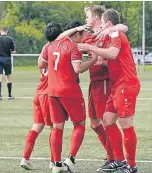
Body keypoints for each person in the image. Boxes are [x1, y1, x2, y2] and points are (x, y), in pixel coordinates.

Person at [59, 5, 128, 170]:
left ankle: (114, 158)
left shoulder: (106, 35)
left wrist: (98, 58)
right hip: (94, 83)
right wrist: (76, 29)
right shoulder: (88, 36)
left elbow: (123, 28)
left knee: (105, 122)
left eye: (88, 16)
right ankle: (112, 155)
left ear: (96, 18)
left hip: (105, 82)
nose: (86, 20)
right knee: (94, 124)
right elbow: (61, 38)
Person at [78, 9, 140, 173]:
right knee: (107, 119)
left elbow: (112, 54)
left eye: (104, 23)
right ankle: (118, 160)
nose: (103, 26)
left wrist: (91, 47)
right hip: (117, 85)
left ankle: (132, 166)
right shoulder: (111, 33)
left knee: (126, 125)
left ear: (108, 23)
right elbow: (108, 60)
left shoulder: (115, 34)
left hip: (126, 84)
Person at [40, 21, 98, 173]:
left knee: (57, 128)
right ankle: (70, 160)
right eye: (82, 34)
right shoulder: (72, 47)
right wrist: (93, 60)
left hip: (52, 92)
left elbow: (41, 64)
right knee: (79, 124)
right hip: (69, 91)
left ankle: (56, 164)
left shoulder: (51, 45)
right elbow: (78, 68)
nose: (84, 37)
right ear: (77, 33)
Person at [20, 22, 64, 171]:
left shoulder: (45, 48)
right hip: (48, 94)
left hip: (38, 92)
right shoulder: (56, 49)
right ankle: (54, 161)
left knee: (36, 127)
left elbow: (41, 63)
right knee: (54, 128)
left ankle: (25, 158)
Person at [0, 27, 16, 100]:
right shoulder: (10, 39)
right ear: (7, 31)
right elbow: (13, 51)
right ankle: (9, 95)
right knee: (8, 77)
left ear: (0, 31)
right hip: (7, 59)